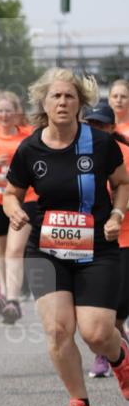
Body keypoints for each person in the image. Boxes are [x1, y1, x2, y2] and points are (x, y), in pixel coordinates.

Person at [4, 69, 129, 406]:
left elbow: (122, 183)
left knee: (97, 333)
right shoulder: (30, 148)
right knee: (58, 330)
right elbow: (11, 193)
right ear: (43, 103)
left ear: (80, 104)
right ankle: (79, 404)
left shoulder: (100, 143)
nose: (62, 102)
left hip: (97, 249)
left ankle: (121, 360)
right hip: (47, 249)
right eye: (55, 96)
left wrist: (117, 213)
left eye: (69, 97)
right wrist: (13, 211)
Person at [81, 103, 129, 377]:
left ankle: (116, 339)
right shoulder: (77, 152)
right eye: (91, 124)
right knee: (100, 305)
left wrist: (116, 209)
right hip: (89, 239)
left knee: (121, 302)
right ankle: (105, 352)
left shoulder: (124, 154)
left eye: (101, 124)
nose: (95, 129)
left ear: (111, 128)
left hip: (124, 235)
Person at [0, 92, 35, 324]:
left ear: (17, 113)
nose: (4, 115)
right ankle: (4, 291)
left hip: (25, 200)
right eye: (0, 111)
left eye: (8, 110)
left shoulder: (29, 137)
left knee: (15, 249)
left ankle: (12, 299)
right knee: (0, 251)